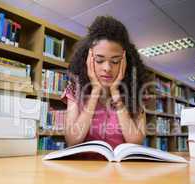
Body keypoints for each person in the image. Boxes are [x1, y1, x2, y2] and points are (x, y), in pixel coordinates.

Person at [61, 16, 149, 150]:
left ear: (125, 61)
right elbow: (72, 140)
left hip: (120, 169)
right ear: (88, 59)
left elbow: (135, 142)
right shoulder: (75, 90)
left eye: (115, 61)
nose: (107, 68)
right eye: (99, 60)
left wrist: (115, 93)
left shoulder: (137, 92)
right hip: (84, 169)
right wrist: (95, 91)